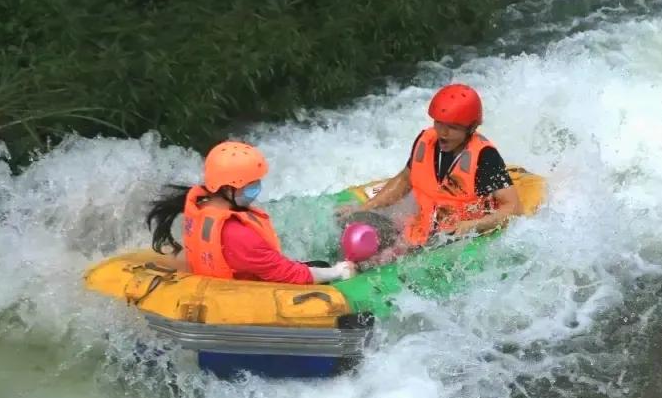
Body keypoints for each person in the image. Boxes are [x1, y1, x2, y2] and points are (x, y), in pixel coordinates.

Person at [340, 84, 520, 262]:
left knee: (379, 259)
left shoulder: (485, 157)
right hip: (418, 234)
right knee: (350, 226)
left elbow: (513, 207)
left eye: (453, 127)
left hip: (454, 242)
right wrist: (366, 207)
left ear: (471, 128)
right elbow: (405, 178)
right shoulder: (426, 141)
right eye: (439, 123)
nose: (443, 133)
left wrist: (472, 225)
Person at [146, 141, 355, 284]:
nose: (255, 190)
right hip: (244, 297)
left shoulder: (201, 206)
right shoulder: (238, 234)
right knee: (323, 269)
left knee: (315, 265)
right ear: (228, 188)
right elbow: (287, 273)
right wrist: (337, 271)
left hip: (221, 284)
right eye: (251, 185)